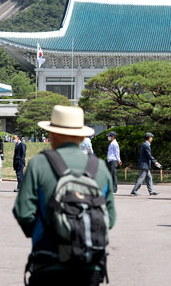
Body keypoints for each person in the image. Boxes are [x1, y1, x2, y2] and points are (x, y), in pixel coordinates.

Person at [13, 105, 116, 285]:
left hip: (48, 263)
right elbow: (111, 218)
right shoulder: (99, 167)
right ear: (83, 136)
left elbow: (23, 212)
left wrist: (44, 232)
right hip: (90, 265)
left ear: (52, 134)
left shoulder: (39, 163)